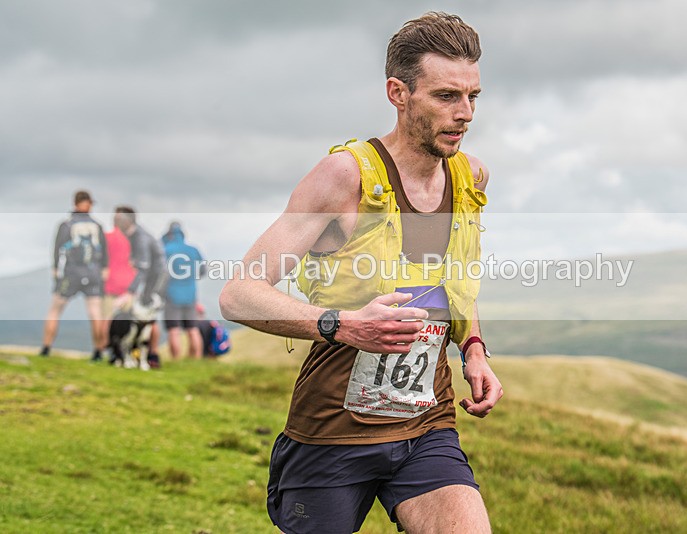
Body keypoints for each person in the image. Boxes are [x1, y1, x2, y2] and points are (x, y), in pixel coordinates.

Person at [220, 12, 502, 533]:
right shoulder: (343, 176)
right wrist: (343, 324)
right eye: (446, 96)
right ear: (398, 93)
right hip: (332, 432)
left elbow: (454, 282)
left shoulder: (470, 176)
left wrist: (473, 349)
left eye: (472, 97)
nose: (465, 113)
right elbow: (238, 294)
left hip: (427, 425)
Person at [41, 190, 108, 361]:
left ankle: (46, 348)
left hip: (71, 274)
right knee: (95, 312)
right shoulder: (98, 226)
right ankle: (98, 351)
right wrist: (103, 270)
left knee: (55, 310)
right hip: (93, 273)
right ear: (89, 204)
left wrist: (56, 270)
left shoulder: (66, 225)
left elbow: (57, 249)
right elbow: (104, 253)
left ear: (75, 203)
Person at [114, 206, 167, 368]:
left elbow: (144, 267)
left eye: (118, 219)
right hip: (153, 279)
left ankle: (152, 355)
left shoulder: (140, 237)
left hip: (155, 280)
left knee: (147, 317)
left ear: (128, 221)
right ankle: (141, 354)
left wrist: (130, 292)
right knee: (145, 317)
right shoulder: (134, 235)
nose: (115, 222)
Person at [161, 222, 206, 359]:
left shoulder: (166, 250)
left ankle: (176, 360)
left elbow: (160, 271)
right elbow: (202, 270)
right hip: (190, 295)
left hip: (171, 294)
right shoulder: (193, 250)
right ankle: (196, 359)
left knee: (174, 330)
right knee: (193, 328)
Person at [98, 210, 137, 354]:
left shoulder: (106, 238)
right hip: (128, 285)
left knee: (106, 319)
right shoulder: (131, 240)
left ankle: (103, 349)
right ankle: (124, 351)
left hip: (109, 284)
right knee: (129, 321)